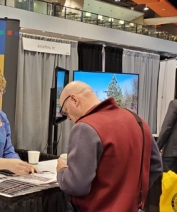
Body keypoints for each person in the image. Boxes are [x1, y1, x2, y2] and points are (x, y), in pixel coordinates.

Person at [56, 81, 162, 212]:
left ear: (74, 99)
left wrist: (62, 172)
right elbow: (156, 166)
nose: (69, 119)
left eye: (66, 111)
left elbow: (77, 185)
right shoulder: (138, 120)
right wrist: (130, 195)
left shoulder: (85, 127)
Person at [158, 99, 177, 173]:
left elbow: (167, 127)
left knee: (168, 183)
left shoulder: (175, 104)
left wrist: (156, 148)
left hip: (172, 154)